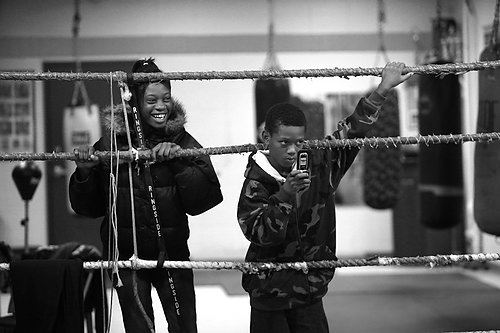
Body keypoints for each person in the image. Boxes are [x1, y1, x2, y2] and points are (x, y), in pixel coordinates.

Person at [237, 62, 411, 333]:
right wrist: (285, 194)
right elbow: (260, 235)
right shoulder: (255, 183)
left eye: (299, 142)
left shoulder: (320, 166)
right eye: (284, 142)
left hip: (309, 290)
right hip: (268, 294)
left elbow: (351, 131)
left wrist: (383, 89)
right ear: (266, 138)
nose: (293, 150)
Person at [69, 58, 223, 333]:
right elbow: (88, 208)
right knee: (139, 328)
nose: (161, 106)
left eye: (166, 98)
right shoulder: (110, 145)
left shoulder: (182, 141)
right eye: (151, 99)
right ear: (135, 102)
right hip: (128, 258)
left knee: (184, 327)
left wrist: (178, 161)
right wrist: (84, 173)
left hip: (173, 255)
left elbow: (206, 199)